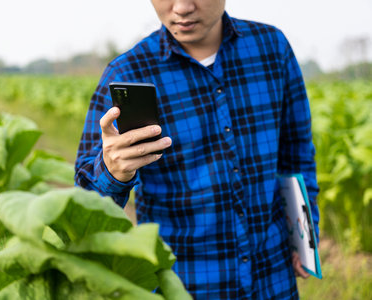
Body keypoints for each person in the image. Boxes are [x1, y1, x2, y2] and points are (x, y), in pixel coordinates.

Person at [75, 0, 319, 298]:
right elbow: (86, 202)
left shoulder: (271, 49)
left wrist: (306, 233)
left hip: (273, 278)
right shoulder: (128, 72)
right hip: (184, 284)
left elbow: (297, 154)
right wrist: (112, 171)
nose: (181, 8)